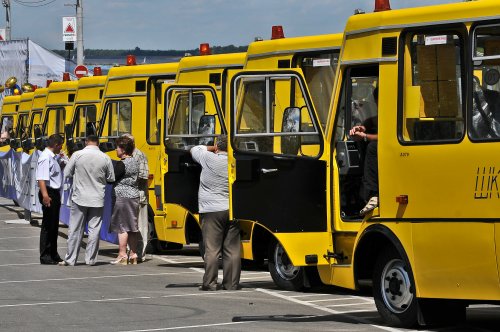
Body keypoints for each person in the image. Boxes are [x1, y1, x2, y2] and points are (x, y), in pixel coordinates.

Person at [191, 135, 241, 291]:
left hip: (211, 210)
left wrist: (212, 148)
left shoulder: (208, 158)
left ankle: (210, 283)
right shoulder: (235, 162)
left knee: (212, 249)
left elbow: (194, 149)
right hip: (232, 209)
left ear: (217, 146)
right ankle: (231, 284)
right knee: (232, 249)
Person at [59, 135, 115, 266]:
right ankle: (90, 259)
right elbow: (111, 178)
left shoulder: (78, 155)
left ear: (86, 142)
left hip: (79, 197)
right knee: (94, 229)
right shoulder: (105, 157)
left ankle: (71, 259)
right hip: (97, 198)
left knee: (75, 229)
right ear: (98, 143)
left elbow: (66, 173)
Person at [109, 135, 140, 265]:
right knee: (132, 227)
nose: (116, 150)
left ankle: (122, 254)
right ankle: (133, 254)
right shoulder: (135, 161)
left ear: (123, 149)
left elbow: (111, 178)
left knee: (122, 226)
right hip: (134, 195)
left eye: (117, 147)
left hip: (121, 197)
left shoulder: (122, 164)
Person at [36, 134, 65, 265]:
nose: (61, 148)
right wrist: (45, 196)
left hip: (54, 192)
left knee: (54, 225)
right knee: (48, 225)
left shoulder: (53, 157)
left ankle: (53, 253)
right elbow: (41, 178)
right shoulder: (45, 157)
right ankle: (45, 255)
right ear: (56, 145)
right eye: (60, 145)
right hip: (49, 192)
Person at [349, 88, 379, 216]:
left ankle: (374, 193)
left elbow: (388, 135)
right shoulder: (381, 113)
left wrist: (365, 136)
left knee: (372, 147)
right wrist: (361, 127)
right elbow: (373, 121)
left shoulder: (395, 112)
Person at [122, 133, 149, 262]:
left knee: (140, 226)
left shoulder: (139, 155)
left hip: (139, 195)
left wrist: (128, 180)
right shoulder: (126, 156)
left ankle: (139, 253)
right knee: (129, 225)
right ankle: (130, 251)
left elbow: (144, 176)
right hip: (129, 195)